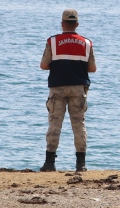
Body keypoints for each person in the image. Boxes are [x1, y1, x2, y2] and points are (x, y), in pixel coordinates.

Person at [39, 9, 96, 172]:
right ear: (76, 24)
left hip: (57, 87)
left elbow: (43, 65)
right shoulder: (87, 43)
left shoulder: (53, 41)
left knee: (55, 124)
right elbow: (92, 68)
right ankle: (81, 164)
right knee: (79, 124)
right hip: (79, 88)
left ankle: (50, 163)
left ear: (62, 24)